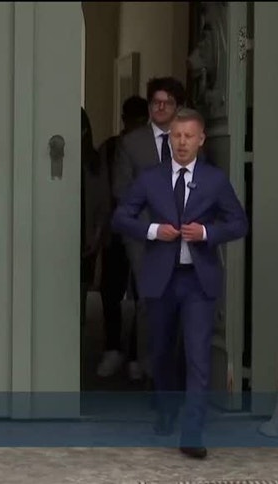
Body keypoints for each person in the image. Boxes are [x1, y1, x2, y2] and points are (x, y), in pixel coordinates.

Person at [112, 108, 248, 459]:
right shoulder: (151, 178)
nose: (182, 142)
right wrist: (153, 230)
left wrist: (206, 233)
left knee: (198, 355)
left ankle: (192, 433)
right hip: (161, 278)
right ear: (169, 138)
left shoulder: (215, 180)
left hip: (198, 282)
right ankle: (166, 409)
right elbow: (121, 217)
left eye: (189, 136)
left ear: (201, 139)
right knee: (161, 352)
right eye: (176, 136)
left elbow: (239, 223)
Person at [111, 77, 187, 382]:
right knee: (149, 300)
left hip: (183, 233)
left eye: (168, 102)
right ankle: (150, 370)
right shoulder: (132, 143)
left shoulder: (189, 137)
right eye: (156, 102)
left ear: (178, 107)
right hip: (145, 234)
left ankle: (175, 369)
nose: (161, 107)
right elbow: (121, 189)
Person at [95, 95, 149, 379]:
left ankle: (136, 353)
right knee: (111, 292)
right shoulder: (111, 149)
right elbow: (103, 192)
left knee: (142, 295)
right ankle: (115, 349)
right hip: (119, 228)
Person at [80, 108, 110, 326]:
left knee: (80, 297)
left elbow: (103, 203)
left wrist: (97, 236)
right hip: (62, 231)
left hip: (86, 235)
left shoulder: (94, 161)